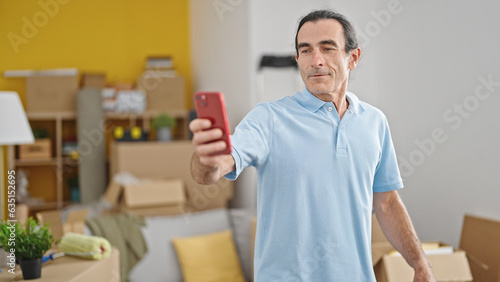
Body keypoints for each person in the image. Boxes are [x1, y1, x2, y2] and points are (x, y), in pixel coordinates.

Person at [189, 9, 435, 282]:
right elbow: (213, 170)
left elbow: (386, 203)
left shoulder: (374, 122)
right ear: (297, 59)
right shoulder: (268, 118)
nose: (315, 60)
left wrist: (419, 263)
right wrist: (208, 160)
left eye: (327, 48)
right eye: (305, 51)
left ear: (352, 57)